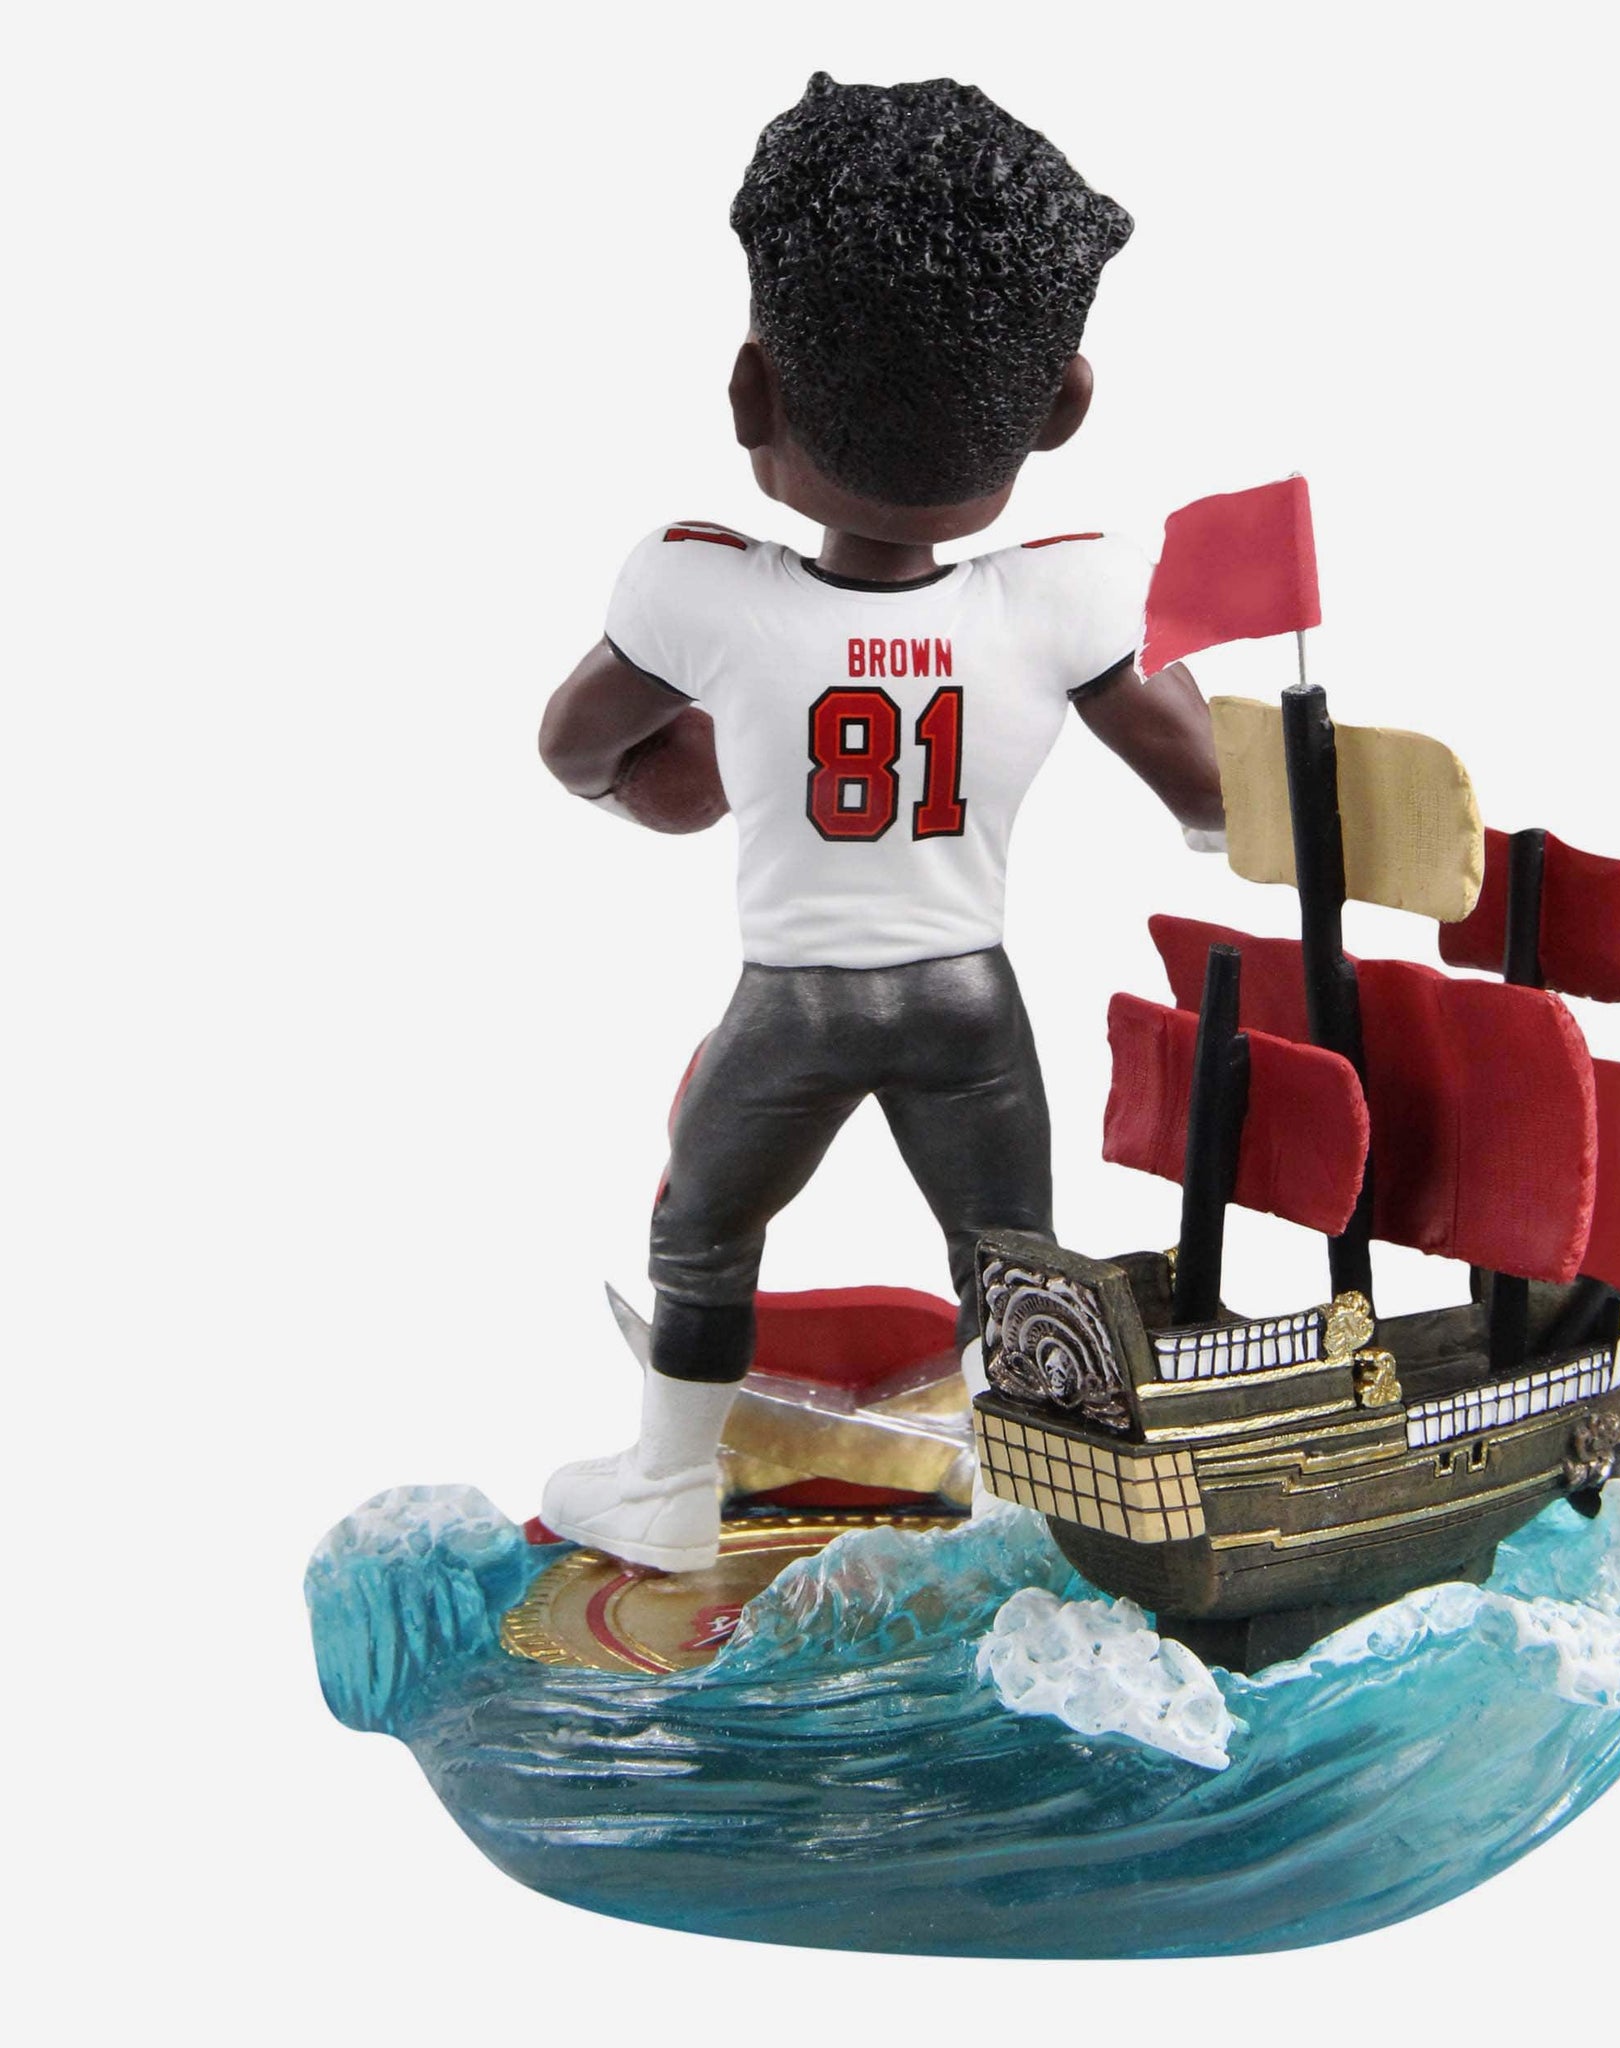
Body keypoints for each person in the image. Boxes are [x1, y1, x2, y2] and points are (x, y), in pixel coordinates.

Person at [536, 74, 1224, 1571]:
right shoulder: (1060, 597)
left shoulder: (701, 590)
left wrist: (684, 769)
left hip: (794, 998)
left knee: (703, 1230)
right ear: (1061, 407)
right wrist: (1251, 811)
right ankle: (1027, 1505)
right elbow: (1207, 782)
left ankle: (668, 1487)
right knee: (1007, 1255)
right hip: (967, 997)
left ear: (752, 394)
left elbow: (575, 745)